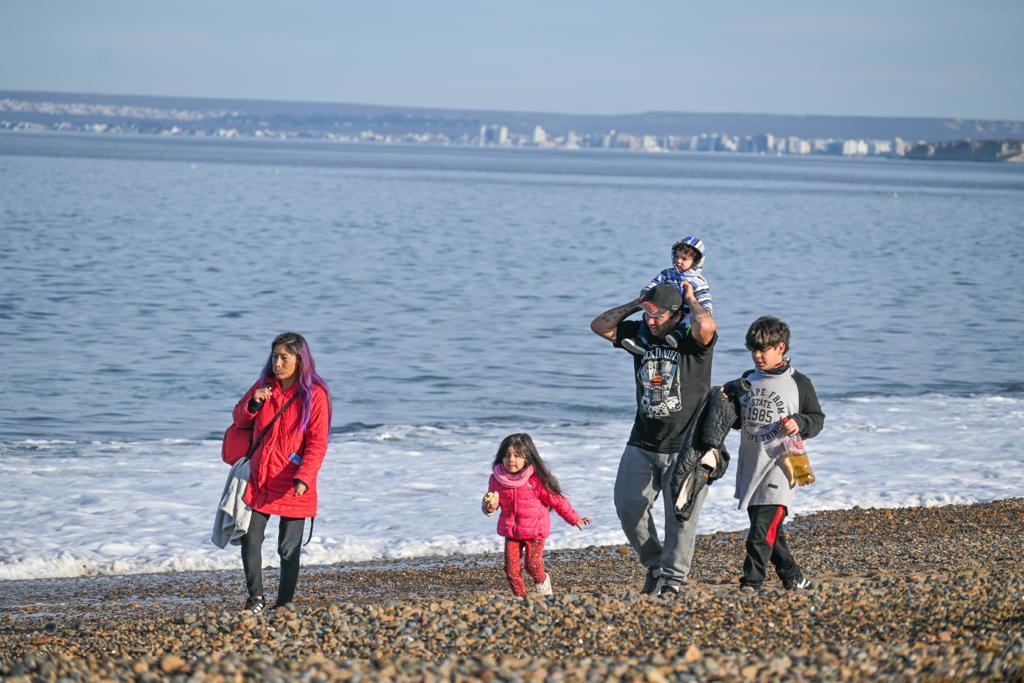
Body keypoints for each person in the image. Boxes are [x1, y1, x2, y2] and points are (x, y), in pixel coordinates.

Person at [590, 282, 717, 596]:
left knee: (680, 517)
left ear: (677, 315)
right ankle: (655, 564)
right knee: (627, 506)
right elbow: (600, 325)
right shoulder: (640, 334)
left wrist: (690, 299)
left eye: (658, 315)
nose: (651, 321)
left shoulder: (692, 340)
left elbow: (706, 324)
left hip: (687, 445)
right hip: (643, 441)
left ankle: (673, 581)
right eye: (648, 315)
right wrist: (638, 304)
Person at [230, 332, 331, 613]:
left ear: (300, 360)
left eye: (284, 357)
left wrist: (304, 477)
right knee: (250, 537)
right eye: (275, 356)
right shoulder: (264, 386)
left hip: (293, 480)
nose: (277, 362)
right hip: (261, 477)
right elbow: (238, 418)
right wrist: (253, 404)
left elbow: (317, 442)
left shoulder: (315, 395)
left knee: (288, 548)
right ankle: (256, 599)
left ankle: (284, 604)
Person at [725, 316, 824, 591]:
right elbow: (736, 421)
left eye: (763, 349)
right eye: (753, 350)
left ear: (780, 348)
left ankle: (751, 583)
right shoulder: (747, 380)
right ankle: (794, 578)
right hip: (752, 465)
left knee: (759, 532)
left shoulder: (799, 383)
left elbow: (817, 419)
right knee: (771, 531)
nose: (757, 355)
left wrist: (800, 423)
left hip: (781, 467)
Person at [481, 433, 593, 598]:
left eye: (517, 455)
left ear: (527, 457)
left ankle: (545, 590)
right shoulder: (497, 479)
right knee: (511, 570)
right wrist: (489, 508)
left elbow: (557, 501)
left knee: (532, 565)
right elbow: (493, 503)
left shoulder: (536, 479)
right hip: (512, 532)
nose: (511, 459)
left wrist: (574, 518)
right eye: (506, 455)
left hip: (535, 531)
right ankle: (522, 599)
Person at [625, 236, 714, 355]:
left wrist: (705, 309)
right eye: (676, 257)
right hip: (664, 310)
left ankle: (676, 336)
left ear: (696, 261)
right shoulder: (667, 274)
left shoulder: (699, 281)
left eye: (684, 258)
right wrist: (645, 294)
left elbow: (705, 299)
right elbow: (653, 284)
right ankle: (641, 342)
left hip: (687, 312)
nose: (678, 261)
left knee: (689, 319)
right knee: (646, 317)